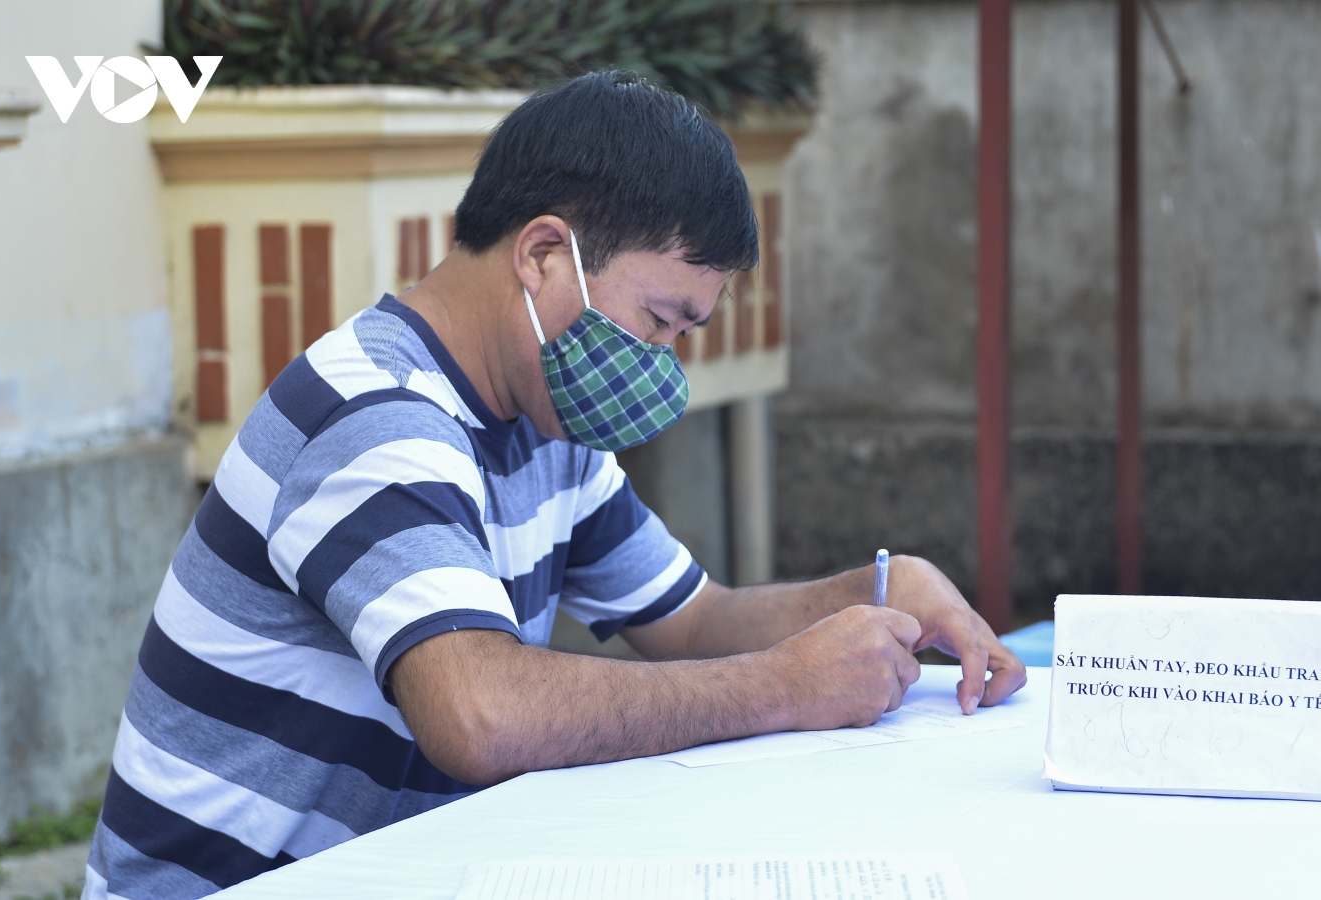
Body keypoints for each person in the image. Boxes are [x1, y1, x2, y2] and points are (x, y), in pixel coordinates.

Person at [84, 71, 1026, 899]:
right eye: (657, 320)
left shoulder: (544, 421)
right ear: (542, 256)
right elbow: (480, 714)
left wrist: (880, 591)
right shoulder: (376, 415)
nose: (661, 361)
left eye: (682, 335)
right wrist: (783, 686)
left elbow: (692, 621)